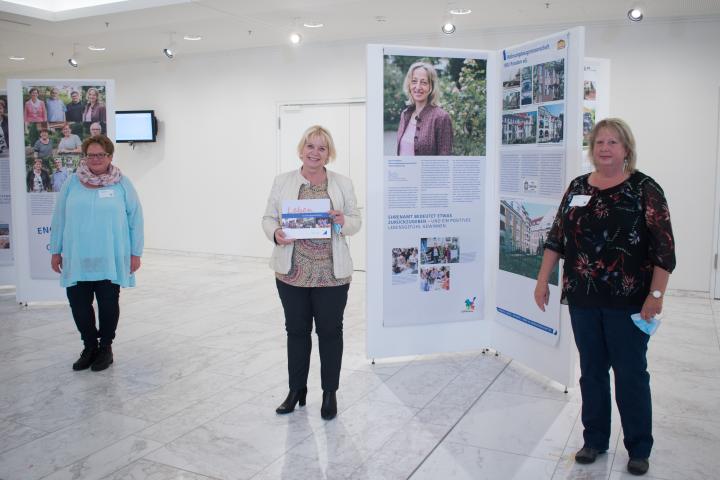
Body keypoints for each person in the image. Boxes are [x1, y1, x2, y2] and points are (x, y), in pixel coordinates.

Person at [533, 118, 675, 477]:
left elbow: (664, 249)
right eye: (599, 142)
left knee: (630, 374)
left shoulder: (645, 189)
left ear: (626, 149)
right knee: (592, 372)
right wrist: (542, 280)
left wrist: (656, 295)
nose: (605, 148)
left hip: (629, 301)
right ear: (592, 149)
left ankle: (639, 447)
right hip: (583, 298)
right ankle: (594, 439)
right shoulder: (578, 186)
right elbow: (556, 237)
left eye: (613, 142)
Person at [262, 125, 361, 420]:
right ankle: (297, 390)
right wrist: (276, 233)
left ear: (329, 153)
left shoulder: (342, 183)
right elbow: (268, 218)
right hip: (292, 273)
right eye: (310, 146)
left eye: (321, 148)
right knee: (296, 332)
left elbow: (355, 222)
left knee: (330, 333)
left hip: (332, 274)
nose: (315, 153)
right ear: (301, 149)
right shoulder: (283, 182)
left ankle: (329, 393)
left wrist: (343, 220)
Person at [50, 135, 144, 372]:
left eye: (100, 154)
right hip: (78, 255)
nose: (95, 159)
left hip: (110, 256)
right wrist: (56, 250)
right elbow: (59, 217)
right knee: (79, 304)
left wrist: (135, 253)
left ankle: (106, 348)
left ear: (110, 156)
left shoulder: (122, 183)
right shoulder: (72, 183)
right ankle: (89, 346)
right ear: (85, 157)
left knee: (108, 303)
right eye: (90, 155)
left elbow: (136, 219)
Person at [396, 61, 453, 156]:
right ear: (409, 85)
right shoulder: (405, 114)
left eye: (424, 82)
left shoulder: (441, 117)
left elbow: (444, 160)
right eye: (414, 81)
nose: (418, 87)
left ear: (431, 87)